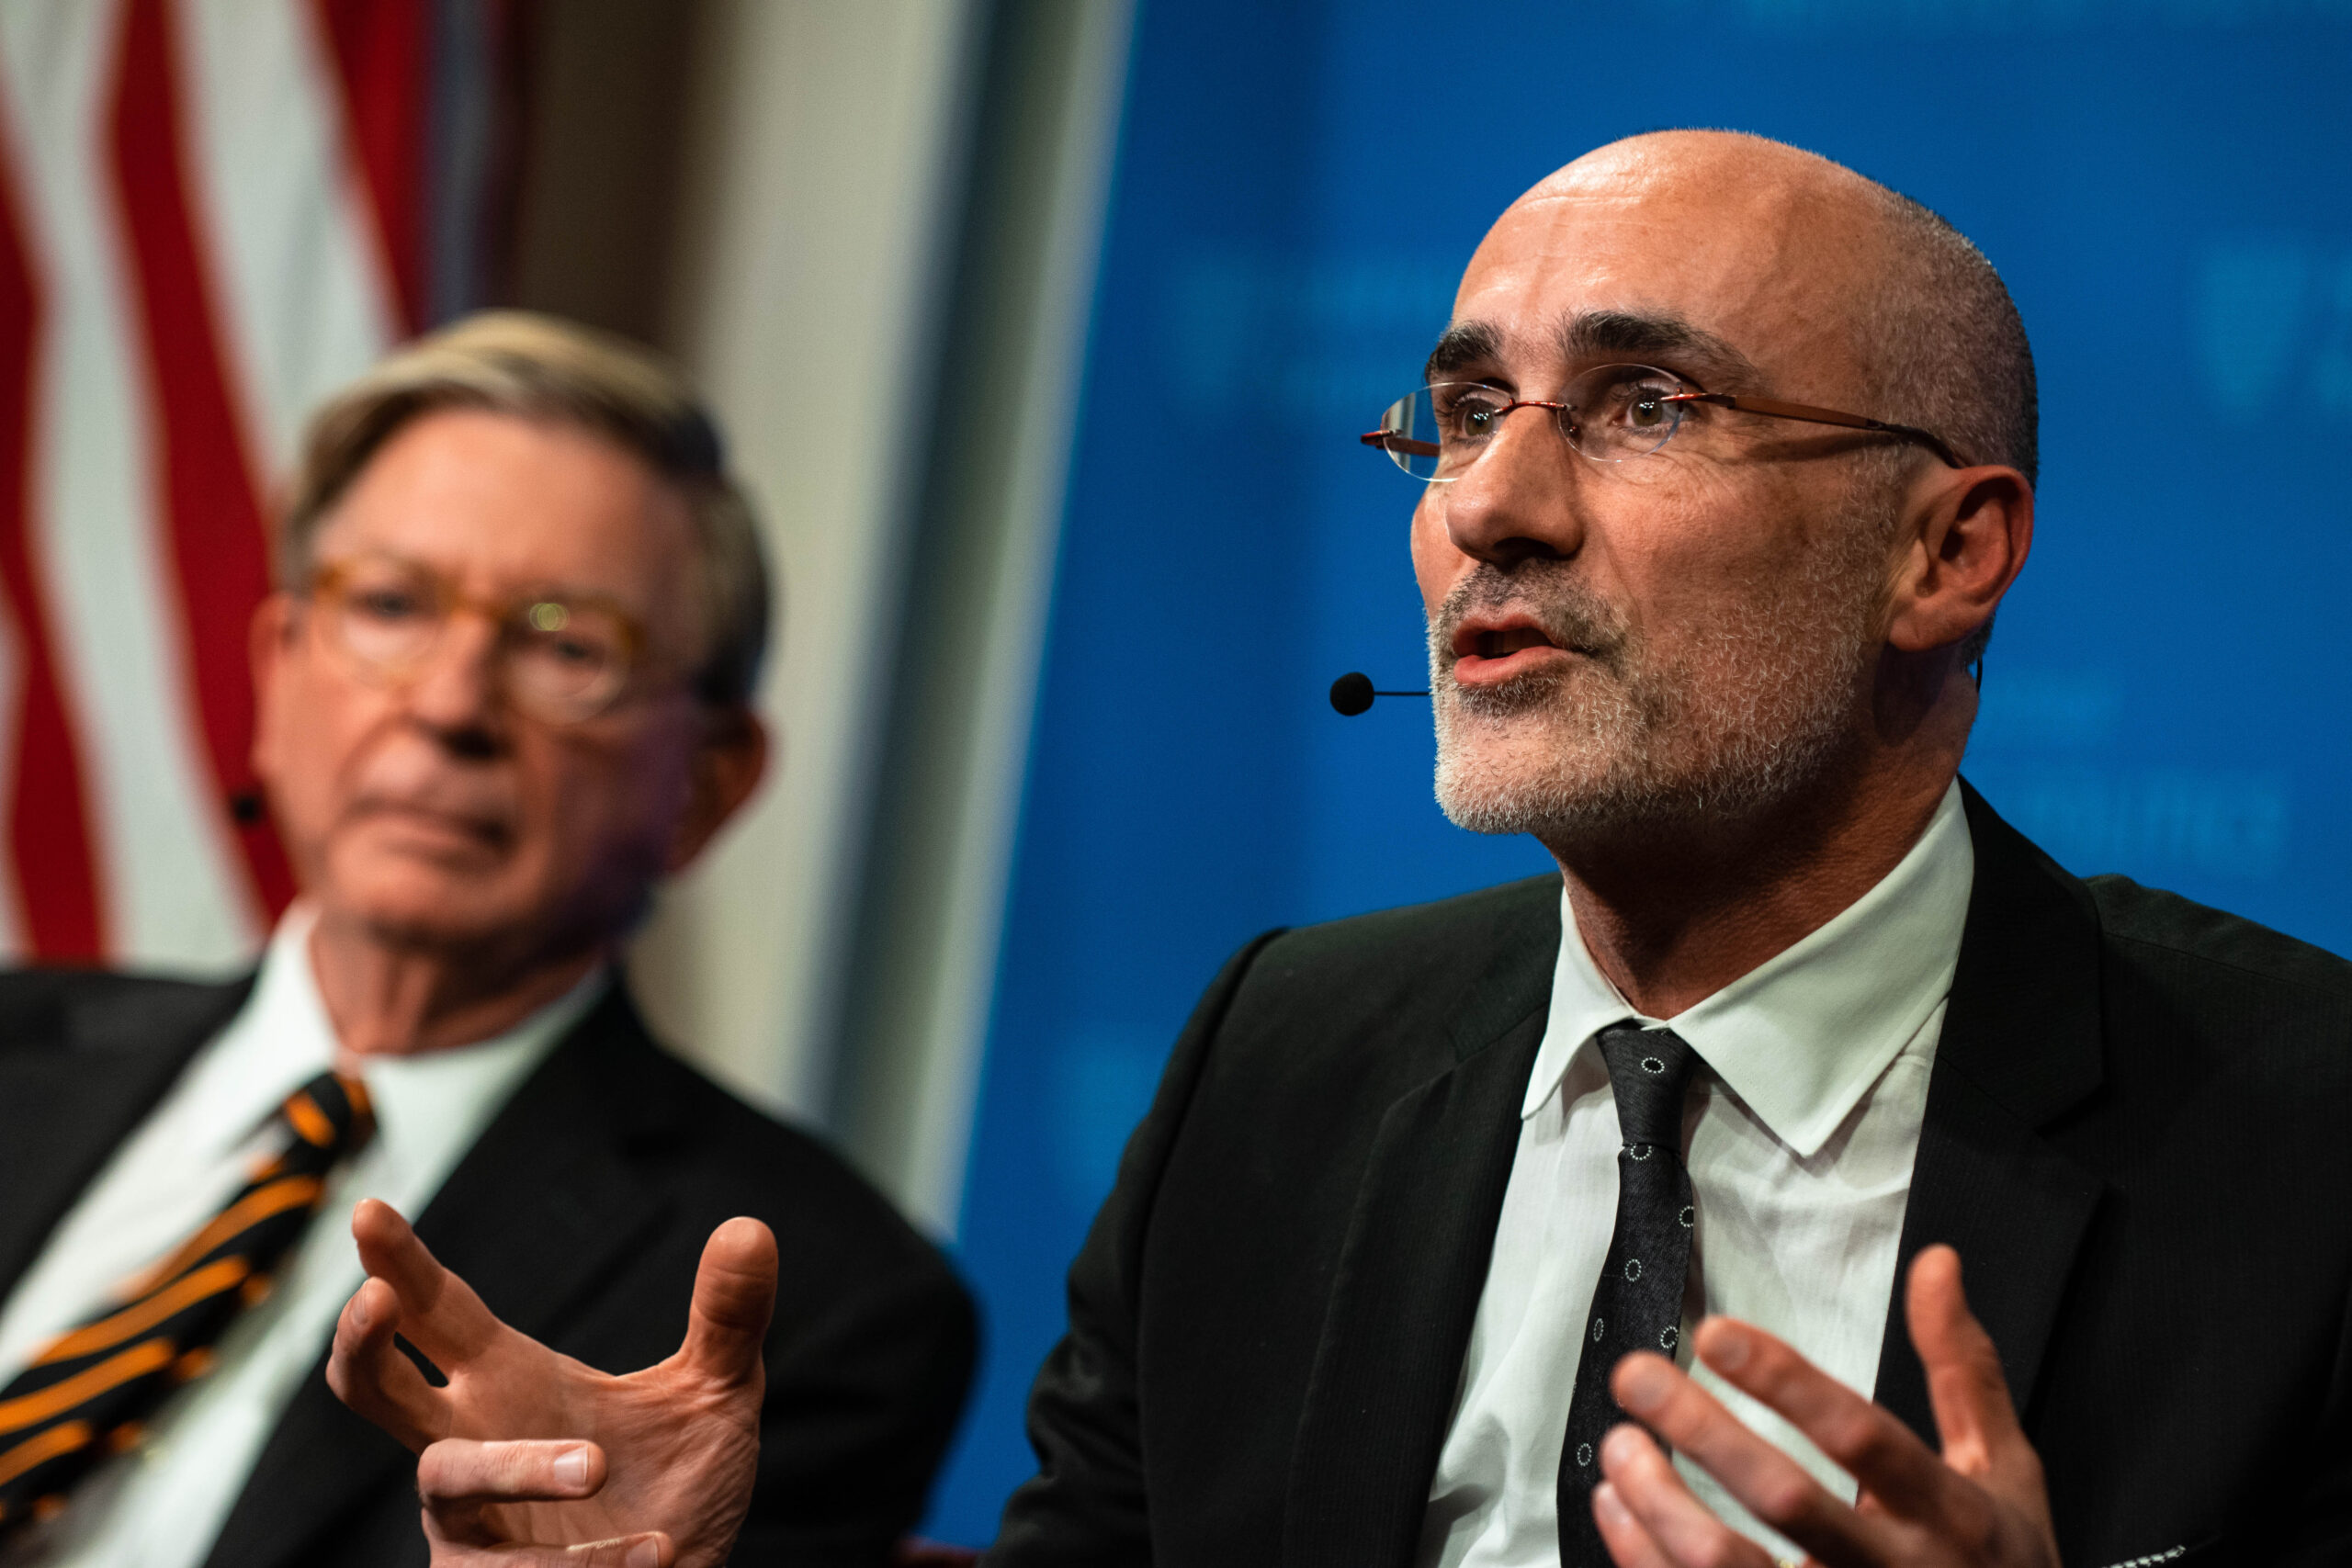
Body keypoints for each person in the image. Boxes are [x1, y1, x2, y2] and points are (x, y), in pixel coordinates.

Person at [322, 134, 2352, 1568]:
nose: (1494, 508)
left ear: (1947, 548)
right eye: (1460, 413)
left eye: (1643, 406)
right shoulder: (1279, 1059)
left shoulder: (2298, 1130)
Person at [0, 314, 976, 1568]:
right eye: (393, 605)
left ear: (709, 786)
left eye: (568, 646)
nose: (451, 704)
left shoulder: (817, 1318)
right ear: (278, 674)